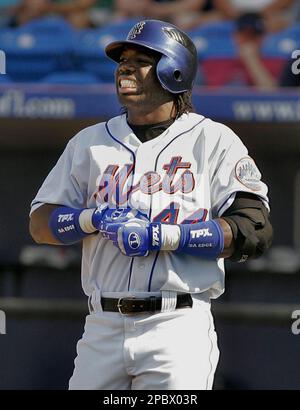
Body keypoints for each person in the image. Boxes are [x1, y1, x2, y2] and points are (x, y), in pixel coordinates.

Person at [29, 19, 273, 390]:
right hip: (101, 325)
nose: (124, 68)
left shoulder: (213, 139)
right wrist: (92, 218)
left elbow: (254, 229)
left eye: (140, 60)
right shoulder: (89, 142)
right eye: (122, 60)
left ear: (173, 70)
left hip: (176, 325)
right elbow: (41, 224)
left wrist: (166, 236)